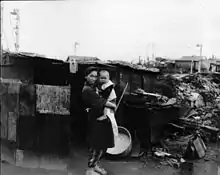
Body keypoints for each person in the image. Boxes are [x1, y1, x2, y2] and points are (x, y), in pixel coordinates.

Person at [82, 67, 115, 175]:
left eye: (96, 76)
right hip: (95, 120)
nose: (94, 78)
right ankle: (90, 170)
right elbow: (99, 101)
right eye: (91, 76)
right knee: (96, 145)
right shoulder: (87, 90)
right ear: (86, 76)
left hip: (100, 119)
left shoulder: (94, 87)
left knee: (101, 145)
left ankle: (95, 165)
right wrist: (112, 104)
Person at [98, 70, 118, 138]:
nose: (103, 80)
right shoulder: (103, 85)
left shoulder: (109, 86)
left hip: (110, 100)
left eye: (105, 78)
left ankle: (104, 115)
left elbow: (105, 97)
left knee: (107, 110)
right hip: (108, 100)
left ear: (108, 78)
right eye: (101, 78)